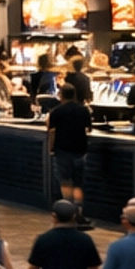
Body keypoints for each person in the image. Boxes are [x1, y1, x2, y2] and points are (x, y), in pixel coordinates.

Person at [46, 85, 93, 222]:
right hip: (80, 150)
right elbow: (88, 129)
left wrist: (51, 148)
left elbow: (52, 132)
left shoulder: (56, 111)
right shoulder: (83, 110)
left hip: (62, 150)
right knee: (78, 183)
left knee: (65, 182)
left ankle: (67, 212)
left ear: (61, 95)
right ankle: (79, 211)